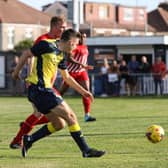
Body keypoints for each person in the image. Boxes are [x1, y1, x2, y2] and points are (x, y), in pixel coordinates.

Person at [12, 28, 105, 158]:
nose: (74, 48)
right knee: (71, 116)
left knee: (59, 124)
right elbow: (27, 53)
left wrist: (84, 92)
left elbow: (67, 77)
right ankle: (86, 150)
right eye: (75, 44)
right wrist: (16, 72)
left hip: (43, 91)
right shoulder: (46, 44)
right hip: (40, 89)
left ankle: (29, 140)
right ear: (70, 42)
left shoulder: (61, 54)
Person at [9, 16, 67, 149]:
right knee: (40, 113)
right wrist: (29, 78)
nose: (64, 29)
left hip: (48, 85)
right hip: (38, 84)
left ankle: (26, 127)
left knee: (53, 115)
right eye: (62, 27)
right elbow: (31, 58)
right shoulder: (43, 40)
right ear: (54, 26)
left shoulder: (57, 41)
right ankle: (18, 139)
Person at [59, 33, 96, 122]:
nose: (83, 39)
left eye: (85, 37)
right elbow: (69, 58)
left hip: (81, 72)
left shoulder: (85, 46)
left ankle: (87, 115)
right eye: (82, 37)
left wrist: (84, 66)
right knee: (61, 93)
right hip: (71, 72)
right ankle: (52, 110)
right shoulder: (75, 46)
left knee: (86, 92)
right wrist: (81, 64)